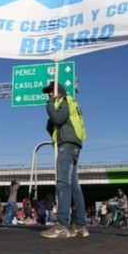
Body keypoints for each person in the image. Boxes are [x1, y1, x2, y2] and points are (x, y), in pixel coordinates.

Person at [39, 81, 89, 239]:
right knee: (74, 186)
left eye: (50, 92)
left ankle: (62, 225)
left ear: (57, 92)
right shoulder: (71, 103)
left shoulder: (64, 101)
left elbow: (59, 118)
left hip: (66, 146)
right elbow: (53, 124)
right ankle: (81, 226)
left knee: (63, 183)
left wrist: (49, 104)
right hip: (73, 145)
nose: (48, 95)